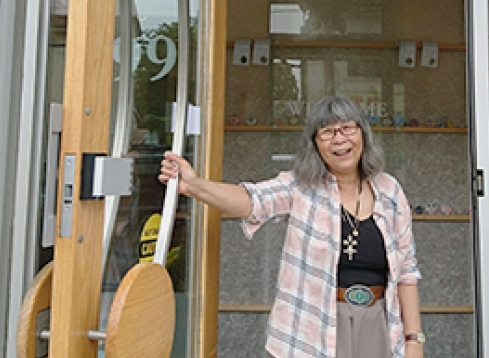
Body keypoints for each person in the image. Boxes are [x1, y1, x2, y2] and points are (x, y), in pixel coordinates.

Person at [158, 95, 424, 358]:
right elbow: (251, 201)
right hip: (312, 331)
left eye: (347, 129)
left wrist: (414, 340)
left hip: (379, 324)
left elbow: (407, 273)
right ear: (315, 145)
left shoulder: (390, 191)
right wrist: (194, 186)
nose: (339, 139)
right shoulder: (300, 187)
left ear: (363, 134)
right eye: (327, 132)